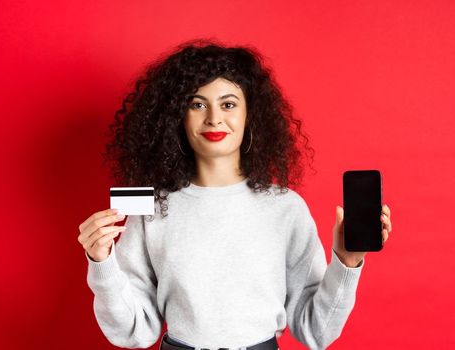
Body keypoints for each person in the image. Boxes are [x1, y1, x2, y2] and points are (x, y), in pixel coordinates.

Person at [77, 39, 392, 350]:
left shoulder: (286, 208)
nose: (214, 118)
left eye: (228, 104)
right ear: (178, 117)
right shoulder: (153, 208)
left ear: (249, 115)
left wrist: (347, 263)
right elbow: (133, 331)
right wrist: (101, 262)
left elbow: (315, 331)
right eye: (197, 104)